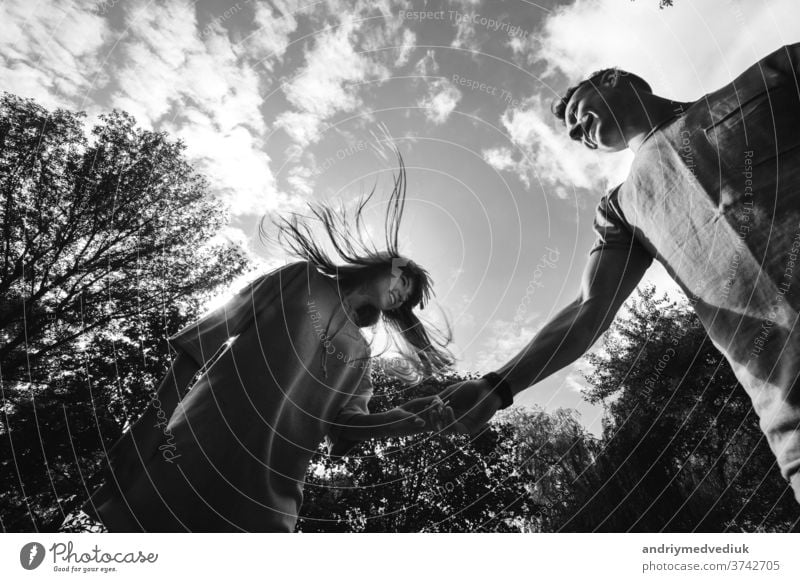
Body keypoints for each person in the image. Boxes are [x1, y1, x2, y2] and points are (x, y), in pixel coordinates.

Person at [441, 43, 800, 505]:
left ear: (613, 78)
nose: (575, 131)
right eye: (572, 132)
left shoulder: (769, 80)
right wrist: (495, 385)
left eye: (575, 110)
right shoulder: (620, 208)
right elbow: (589, 311)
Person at [82, 158, 455, 532]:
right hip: (191, 450)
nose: (401, 296)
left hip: (265, 498)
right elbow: (203, 342)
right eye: (404, 282)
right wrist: (148, 428)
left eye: (406, 300)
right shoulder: (300, 278)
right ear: (387, 264)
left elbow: (346, 426)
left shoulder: (360, 354)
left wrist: (408, 419)